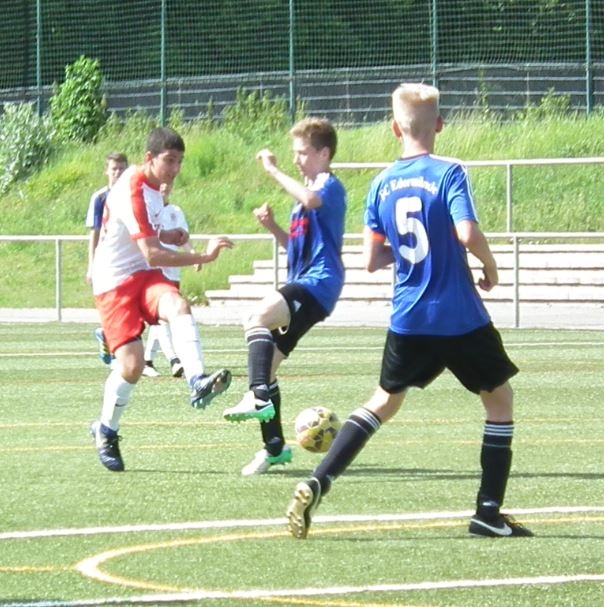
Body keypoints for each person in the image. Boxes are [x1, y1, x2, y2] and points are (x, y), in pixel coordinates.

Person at [286, 83, 534, 539]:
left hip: (408, 315)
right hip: (458, 314)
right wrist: (491, 266)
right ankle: (487, 512)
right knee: (499, 400)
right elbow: (466, 232)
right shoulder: (449, 172)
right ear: (439, 125)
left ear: (394, 128)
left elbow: (371, 259)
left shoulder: (381, 183)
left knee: (383, 401)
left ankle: (319, 480)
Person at [89, 127, 233, 472]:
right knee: (133, 366)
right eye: (170, 161)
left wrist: (167, 233)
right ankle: (106, 431)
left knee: (178, 306)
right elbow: (152, 253)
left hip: (143, 275)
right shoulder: (134, 187)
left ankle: (196, 380)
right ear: (149, 158)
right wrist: (203, 257)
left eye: (180, 161)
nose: (175, 169)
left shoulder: (154, 188)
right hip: (114, 283)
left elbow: (141, 235)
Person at [222, 117, 347, 476]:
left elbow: (310, 198)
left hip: (319, 283)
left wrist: (273, 171)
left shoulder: (329, 186)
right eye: (294, 153)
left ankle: (257, 395)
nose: (296, 159)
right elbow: (296, 248)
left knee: (255, 318)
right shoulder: (306, 195)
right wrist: (273, 227)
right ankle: (274, 448)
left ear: (324, 154)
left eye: (303, 153)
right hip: (305, 281)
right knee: (269, 366)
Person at [142, 182, 192, 379]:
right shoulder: (147, 209)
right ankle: (174, 359)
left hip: (173, 269)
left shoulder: (175, 211)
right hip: (155, 268)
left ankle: (147, 360)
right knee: (161, 317)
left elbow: (183, 237)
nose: (164, 187)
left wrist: (193, 255)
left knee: (162, 317)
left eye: (168, 184)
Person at [85, 152, 129, 365]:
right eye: (114, 169)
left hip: (129, 259)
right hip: (107, 260)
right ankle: (114, 347)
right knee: (113, 303)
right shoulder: (100, 198)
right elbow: (94, 232)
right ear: (107, 171)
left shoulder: (133, 195)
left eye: (122, 169)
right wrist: (91, 265)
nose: (118, 173)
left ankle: (107, 335)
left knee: (128, 305)